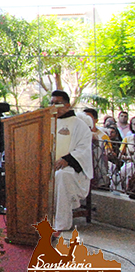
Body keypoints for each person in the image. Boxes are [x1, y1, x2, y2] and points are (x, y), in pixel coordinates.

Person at [49, 90, 93, 231]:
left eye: (58, 103)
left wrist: (67, 159)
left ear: (67, 105)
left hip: (71, 169)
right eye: (52, 103)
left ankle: (61, 223)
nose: (54, 106)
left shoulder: (79, 125)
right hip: (47, 166)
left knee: (62, 176)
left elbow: (84, 149)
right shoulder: (46, 122)